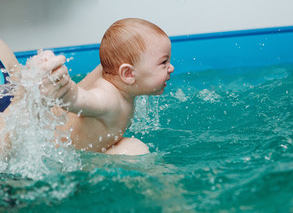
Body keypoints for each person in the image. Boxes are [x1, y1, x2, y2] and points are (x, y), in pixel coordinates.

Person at [1, 18, 174, 156]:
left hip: (50, 129)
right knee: (136, 150)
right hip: (54, 151)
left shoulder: (122, 88)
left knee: (134, 149)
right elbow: (77, 99)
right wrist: (64, 87)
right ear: (128, 74)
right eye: (164, 62)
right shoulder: (108, 100)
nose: (171, 68)